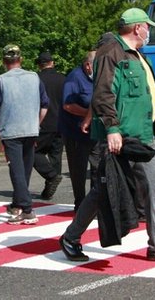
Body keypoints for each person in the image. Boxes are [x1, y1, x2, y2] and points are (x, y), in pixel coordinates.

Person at [59, 8, 155, 262]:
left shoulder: (138, 55)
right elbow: (103, 93)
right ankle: (71, 237)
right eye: (147, 27)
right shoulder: (111, 52)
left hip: (142, 135)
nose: (149, 31)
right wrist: (112, 129)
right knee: (104, 190)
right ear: (136, 27)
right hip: (120, 136)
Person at [0, 44, 49, 225]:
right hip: (31, 128)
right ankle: (17, 203)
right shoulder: (34, 77)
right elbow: (45, 105)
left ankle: (27, 209)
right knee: (26, 168)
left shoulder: (1, 80)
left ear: (4, 61)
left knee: (16, 169)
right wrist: (36, 123)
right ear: (20, 59)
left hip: (11, 131)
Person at [58, 50, 96, 210]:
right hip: (76, 132)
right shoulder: (75, 78)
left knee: (98, 168)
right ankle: (80, 203)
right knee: (78, 170)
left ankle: (96, 203)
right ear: (88, 65)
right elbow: (68, 105)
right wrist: (90, 114)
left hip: (95, 131)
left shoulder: (98, 78)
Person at [33, 51, 66, 200]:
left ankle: (51, 177)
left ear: (39, 65)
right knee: (55, 155)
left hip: (43, 122)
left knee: (33, 152)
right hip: (60, 122)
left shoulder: (35, 79)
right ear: (52, 62)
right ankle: (50, 186)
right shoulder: (63, 79)